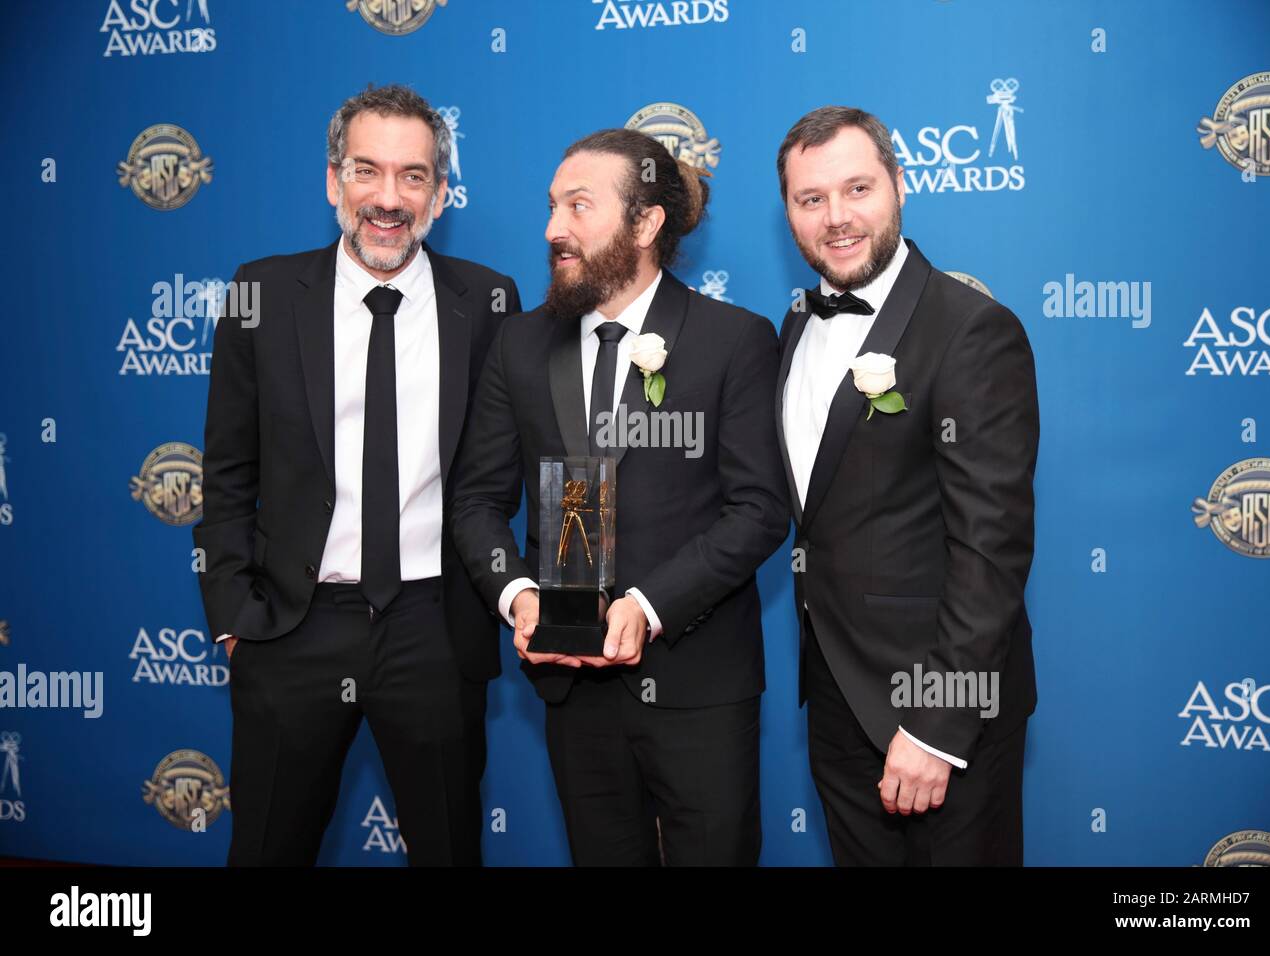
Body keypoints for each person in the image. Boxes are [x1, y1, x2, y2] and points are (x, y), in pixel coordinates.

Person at [194, 83, 520, 865]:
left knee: (449, 852)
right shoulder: (262, 294)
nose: (388, 198)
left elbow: (501, 473)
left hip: (434, 628)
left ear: (440, 193)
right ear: (333, 181)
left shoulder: (488, 300)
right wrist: (236, 618)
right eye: (366, 170)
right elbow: (227, 470)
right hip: (292, 627)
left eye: (413, 176)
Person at [450, 128, 789, 866]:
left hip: (697, 684)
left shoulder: (733, 340)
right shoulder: (519, 344)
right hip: (573, 690)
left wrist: (649, 605)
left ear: (645, 224)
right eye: (551, 206)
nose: (553, 228)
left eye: (578, 206)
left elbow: (761, 510)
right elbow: (476, 501)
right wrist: (517, 596)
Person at [774, 106, 1039, 865]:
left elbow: (990, 548)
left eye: (857, 189)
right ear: (788, 211)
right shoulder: (794, 327)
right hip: (834, 698)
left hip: (944, 711)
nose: (836, 217)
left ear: (899, 184)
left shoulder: (972, 330)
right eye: (811, 198)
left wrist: (937, 728)